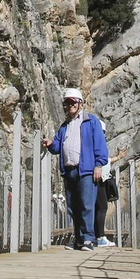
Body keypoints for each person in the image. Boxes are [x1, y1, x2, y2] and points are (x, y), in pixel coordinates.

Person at [41, 87, 108, 250]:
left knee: (86, 204)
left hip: (85, 170)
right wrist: (50, 144)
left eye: (72, 102)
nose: (69, 105)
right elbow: (58, 146)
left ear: (80, 103)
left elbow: (100, 145)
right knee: (73, 206)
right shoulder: (64, 126)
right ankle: (79, 239)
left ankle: (88, 239)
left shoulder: (91, 122)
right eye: (67, 102)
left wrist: (98, 165)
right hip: (69, 171)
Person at [93, 145, 127, 247]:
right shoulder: (96, 142)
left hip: (92, 178)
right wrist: (117, 158)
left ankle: (94, 236)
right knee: (102, 207)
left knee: (96, 208)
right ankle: (100, 237)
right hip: (99, 178)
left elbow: (105, 160)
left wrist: (117, 158)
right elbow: (102, 160)